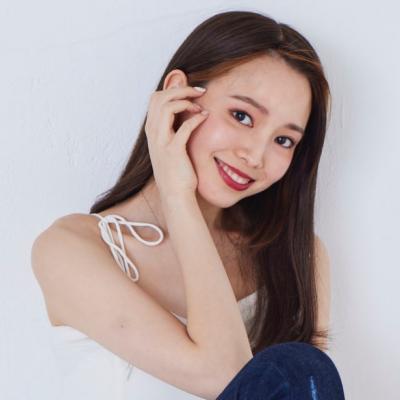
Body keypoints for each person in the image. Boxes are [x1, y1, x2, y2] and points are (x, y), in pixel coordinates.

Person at [31, 10, 345, 400]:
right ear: (178, 97)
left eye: (284, 140)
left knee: (303, 368)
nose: (255, 155)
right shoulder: (69, 249)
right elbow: (225, 375)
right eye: (242, 116)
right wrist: (177, 196)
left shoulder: (297, 255)